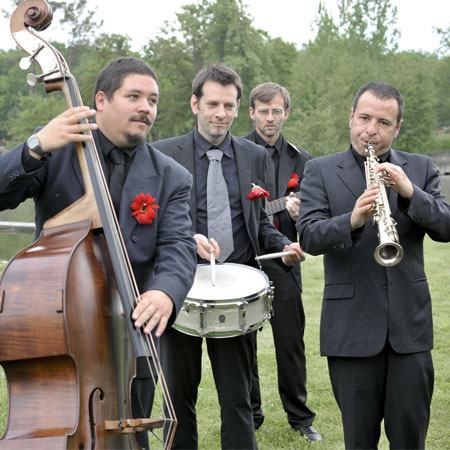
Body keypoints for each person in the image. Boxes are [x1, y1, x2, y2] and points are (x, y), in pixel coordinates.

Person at [0, 56, 197, 449]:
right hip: (62, 326)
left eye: (153, 100)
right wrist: (35, 146)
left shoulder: (172, 176)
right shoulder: (56, 148)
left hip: (132, 336)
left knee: (133, 434)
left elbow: (178, 246)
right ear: (101, 100)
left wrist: (165, 291)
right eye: (135, 96)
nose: (147, 107)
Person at [152, 63, 303, 450]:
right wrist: (188, 239)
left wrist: (280, 245)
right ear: (195, 104)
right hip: (178, 286)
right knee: (178, 397)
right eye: (213, 104)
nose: (221, 113)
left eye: (229, 105)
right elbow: (153, 225)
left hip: (236, 292)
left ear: (239, 108)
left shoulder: (255, 156)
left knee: (237, 398)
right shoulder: (163, 154)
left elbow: (259, 221)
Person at [297, 81, 450, 449]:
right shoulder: (319, 170)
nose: (371, 130)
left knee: (409, 440)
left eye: (383, 122)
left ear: (397, 128)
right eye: (364, 118)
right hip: (351, 332)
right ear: (351, 118)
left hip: (409, 333)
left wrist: (411, 193)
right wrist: (351, 220)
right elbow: (309, 237)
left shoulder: (420, 167)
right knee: (359, 442)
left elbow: (446, 226)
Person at [243, 82, 322, 442]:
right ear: (252, 113)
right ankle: (252, 413)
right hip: (246, 257)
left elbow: (315, 211)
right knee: (243, 342)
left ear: (286, 113)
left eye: (277, 111)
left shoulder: (302, 159)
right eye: (263, 111)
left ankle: (301, 418)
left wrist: (298, 211)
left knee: (290, 340)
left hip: (286, 256)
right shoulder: (237, 152)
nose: (270, 118)